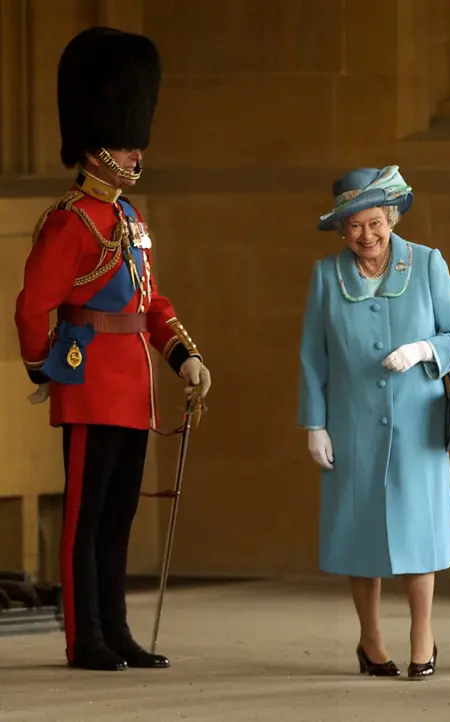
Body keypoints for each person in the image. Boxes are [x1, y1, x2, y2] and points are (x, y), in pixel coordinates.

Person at [14, 27, 211, 672]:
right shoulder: (70, 221)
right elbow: (31, 305)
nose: (135, 153)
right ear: (97, 146)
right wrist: (44, 366)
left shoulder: (130, 221)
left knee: (118, 518)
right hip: (87, 383)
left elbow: (153, 305)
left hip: (132, 388)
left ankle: (117, 632)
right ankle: (84, 637)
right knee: (84, 519)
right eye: (127, 143)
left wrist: (184, 357)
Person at [297, 165, 450, 679]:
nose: (367, 236)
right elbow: (313, 356)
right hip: (350, 425)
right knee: (359, 533)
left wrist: (424, 349)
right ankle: (370, 640)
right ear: (341, 228)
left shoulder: (427, 264)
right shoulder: (327, 275)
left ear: (391, 217)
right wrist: (315, 424)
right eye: (354, 226)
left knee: (419, 532)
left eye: (375, 223)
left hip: (417, 423)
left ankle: (423, 635)